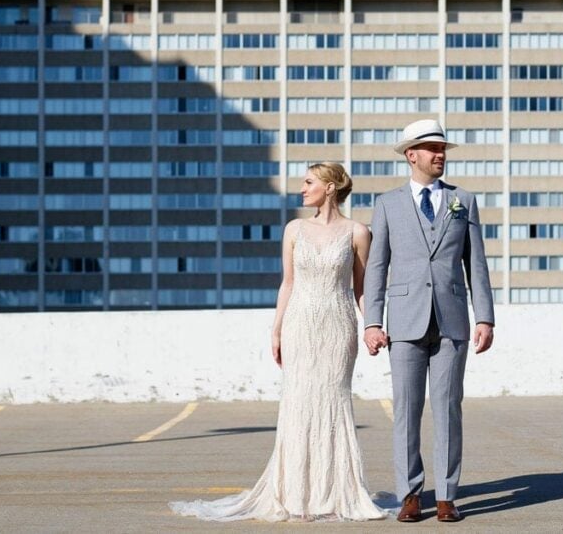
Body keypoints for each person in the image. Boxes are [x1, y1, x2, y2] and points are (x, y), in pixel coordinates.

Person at [171, 162, 387, 522]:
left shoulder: (358, 232)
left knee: (333, 402)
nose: (302, 189)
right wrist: (275, 330)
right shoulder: (294, 229)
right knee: (298, 401)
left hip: (338, 326)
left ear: (330, 187)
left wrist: (373, 326)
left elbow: (362, 288)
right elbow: (288, 283)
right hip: (299, 325)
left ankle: (334, 493)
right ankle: (295, 495)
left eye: (309, 182)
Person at [363, 118, 495, 523]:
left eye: (443, 149)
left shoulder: (463, 201)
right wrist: (372, 321)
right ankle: (409, 494)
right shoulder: (387, 204)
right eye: (432, 149)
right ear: (411, 155)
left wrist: (485, 317)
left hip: (453, 319)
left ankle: (447, 497)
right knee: (405, 409)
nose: (440, 155)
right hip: (403, 321)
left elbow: (477, 264)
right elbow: (376, 267)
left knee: (448, 408)